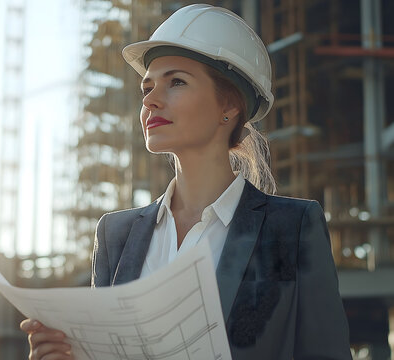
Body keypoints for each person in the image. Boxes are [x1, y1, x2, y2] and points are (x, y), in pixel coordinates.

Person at [21, 4, 352, 359]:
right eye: (147, 87)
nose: (150, 99)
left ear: (230, 106)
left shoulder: (292, 228)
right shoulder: (114, 235)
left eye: (176, 82)